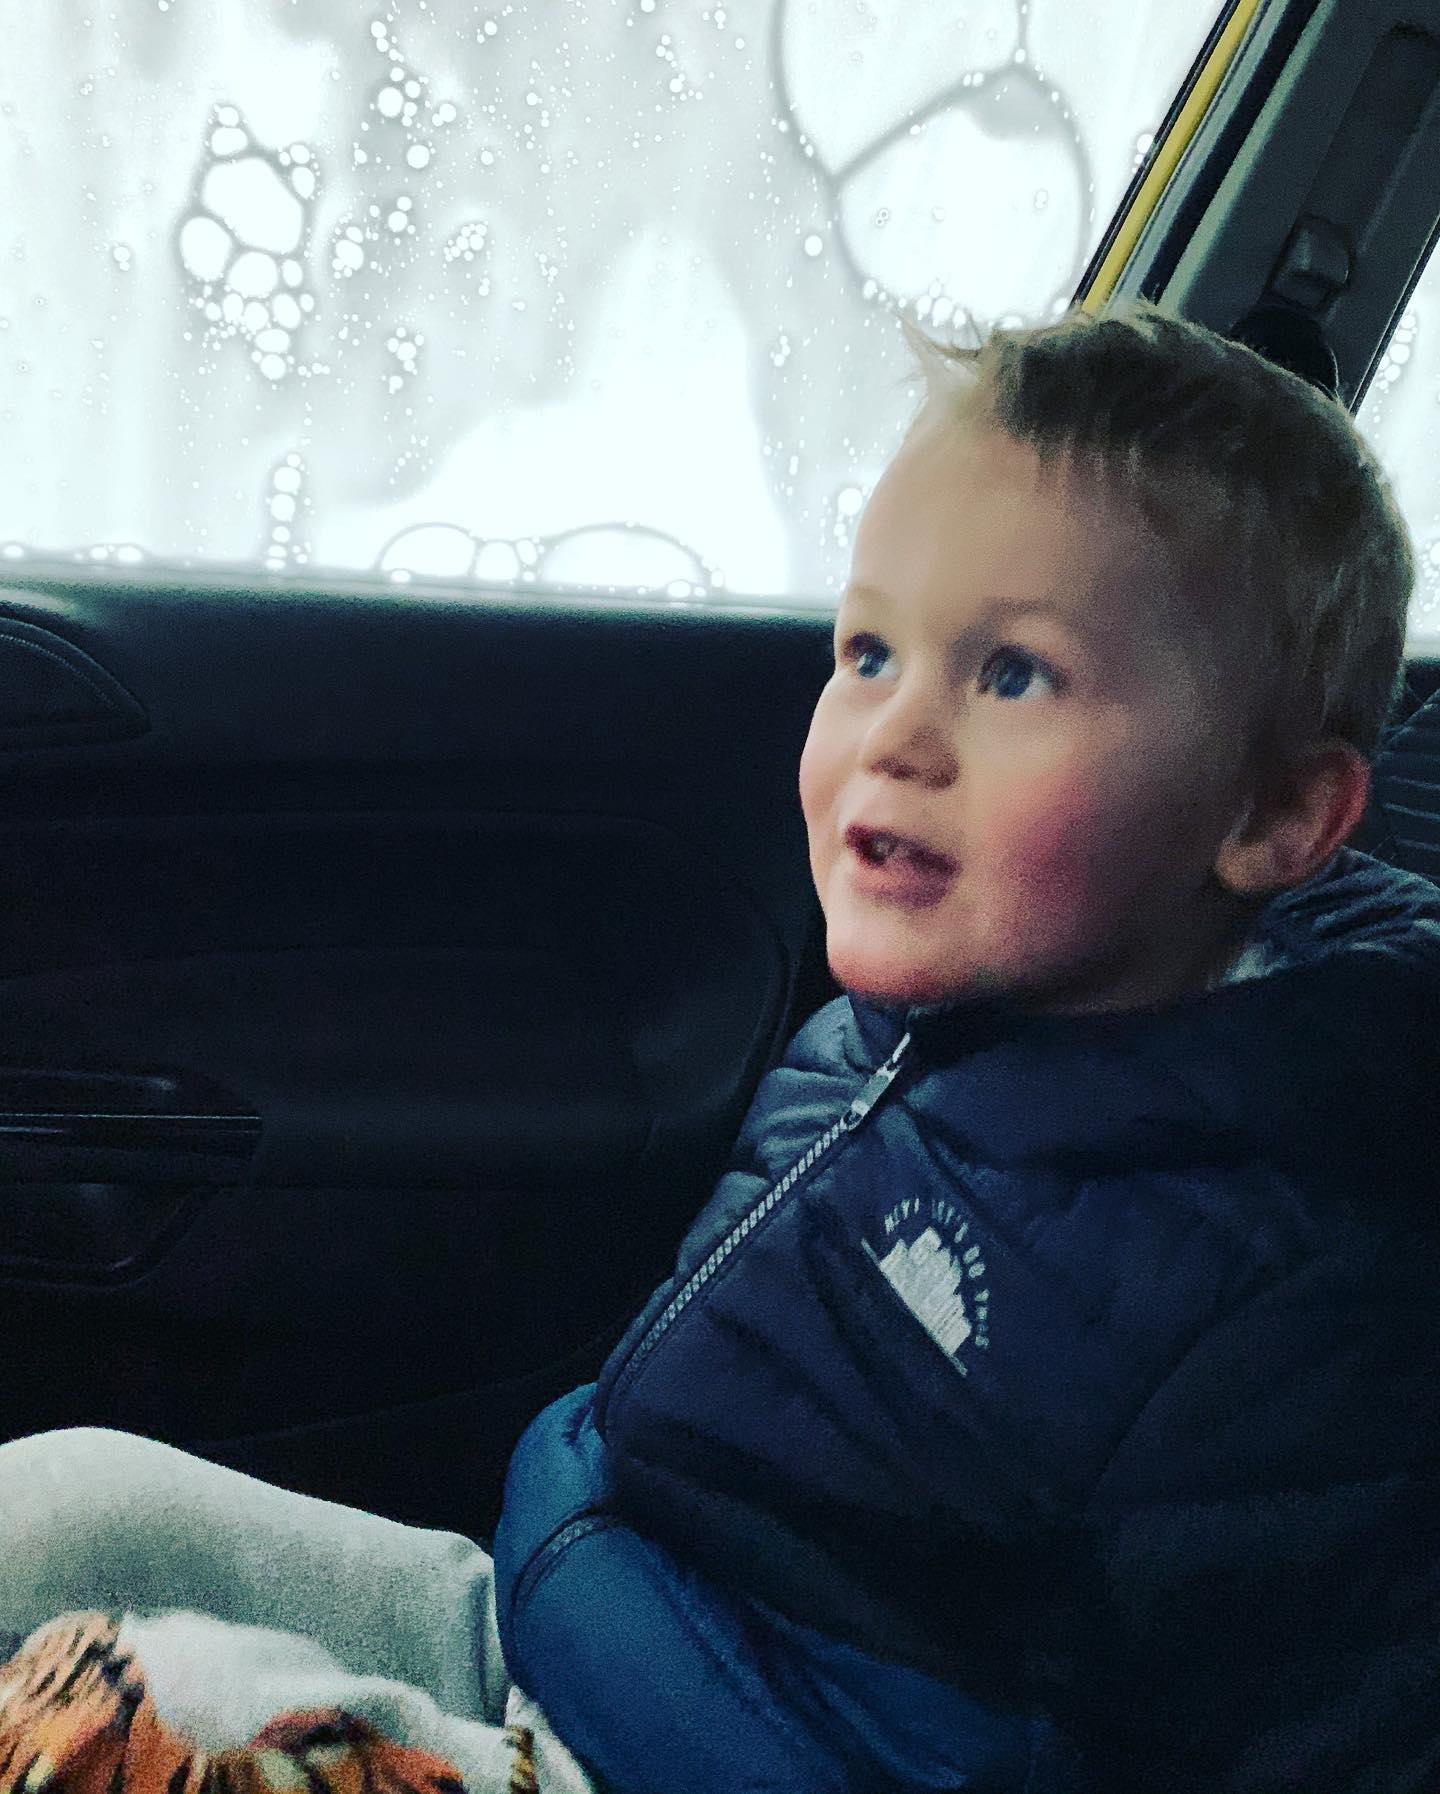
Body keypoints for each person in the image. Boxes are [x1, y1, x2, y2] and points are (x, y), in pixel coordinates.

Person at [2, 305, 1437, 1794]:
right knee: (64, 1507)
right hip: (572, 1621)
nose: (895, 735)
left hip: (733, 1756)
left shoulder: (1290, 1285)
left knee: (170, 1709)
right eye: (870, 650)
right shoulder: (891, 1042)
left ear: (1273, 817)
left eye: (1014, 673)